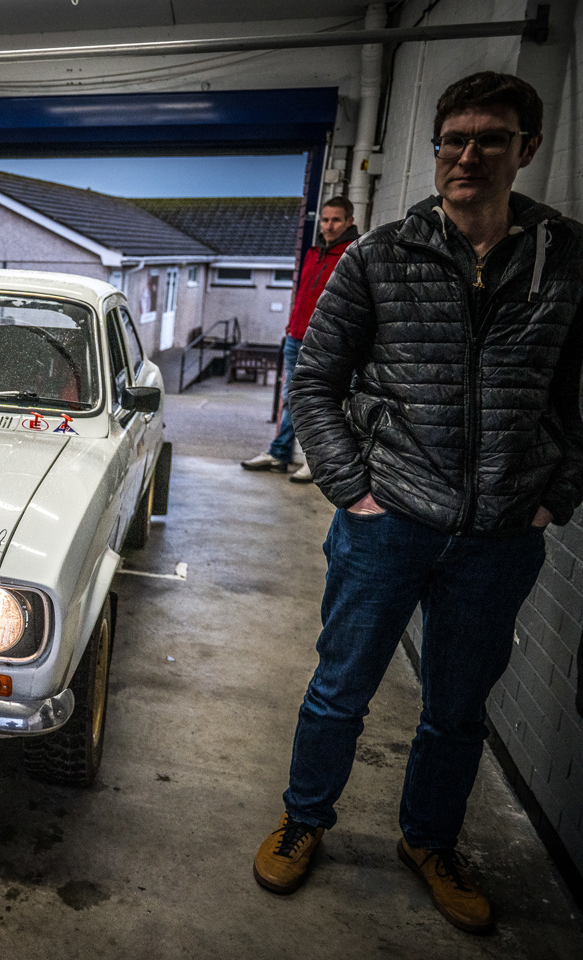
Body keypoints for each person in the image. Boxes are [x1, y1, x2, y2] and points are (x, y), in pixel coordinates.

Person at [253, 72, 583, 935]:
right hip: (388, 522)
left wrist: (554, 497)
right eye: (454, 140)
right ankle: (303, 818)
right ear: (437, 150)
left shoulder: (566, 260)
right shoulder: (379, 256)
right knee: (339, 690)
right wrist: (352, 490)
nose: (468, 155)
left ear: (526, 149)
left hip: (501, 535)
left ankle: (430, 841)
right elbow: (315, 381)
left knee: (457, 711)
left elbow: (575, 396)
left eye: (491, 139)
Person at [241, 196, 359, 481]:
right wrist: (291, 326)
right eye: (325, 220)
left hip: (324, 343)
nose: (329, 226)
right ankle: (280, 453)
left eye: (336, 220)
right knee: (290, 398)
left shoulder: (351, 256)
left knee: (321, 401)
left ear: (349, 222)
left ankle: (316, 461)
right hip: (295, 338)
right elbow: (303, 294)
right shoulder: (314, 253)